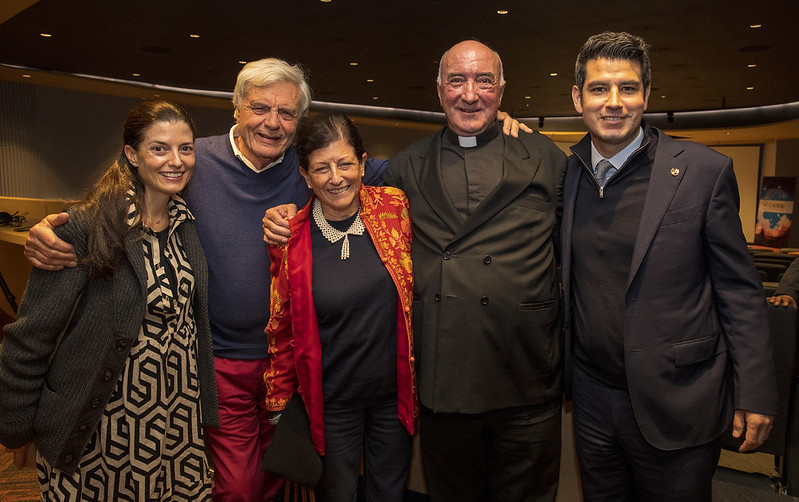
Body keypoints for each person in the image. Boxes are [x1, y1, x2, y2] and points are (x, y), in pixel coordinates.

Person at [21, 57, 525, 502]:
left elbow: (416, 169)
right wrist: (59, 228)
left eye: (287, 113)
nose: (273, 123)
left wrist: (488, 126)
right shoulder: (193, 160)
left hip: (294, 364)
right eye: (261, 108)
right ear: (237, 107)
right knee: (237, 486)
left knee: (281, 475)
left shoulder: (315, 164)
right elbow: (125, 189)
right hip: (219, 360)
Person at [264, 40, 567, 502]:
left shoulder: (545, 158)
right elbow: (337, 183)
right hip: (442, 381)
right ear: (439, 89)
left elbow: (570, 253)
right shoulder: (407, 167)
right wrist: (287, 216)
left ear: (502, 90)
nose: (470, 94)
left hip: (524, 371)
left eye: (484, 81)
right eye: (457, 81)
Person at [561, 31, 778, 501]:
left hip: (679, 398)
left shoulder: (703, 171)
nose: (614, 102)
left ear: (647, 96)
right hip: (593, 400)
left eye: (628, 88)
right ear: (578, 97)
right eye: (599, 88)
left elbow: (739, 292)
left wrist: (756, 391)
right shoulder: (569, 172)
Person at [0, 99, 218, 500]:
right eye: (159, 148)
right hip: (102, 432)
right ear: (132, 155)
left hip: (176, 427)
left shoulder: (186, 224)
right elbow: (29, 337)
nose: (176, 160)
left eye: (185, 148)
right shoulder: (87, 225)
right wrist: (16, 428)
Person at [264, 111, 415, 501]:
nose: (336, 177)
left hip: (392, 399)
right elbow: (280, 326)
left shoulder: (395, 210)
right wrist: (279, 401)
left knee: (390, 495)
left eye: (346, 163)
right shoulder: (290, 237)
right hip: (330, 405)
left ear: (363, 163)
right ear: (304, 175)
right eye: (321, 168)